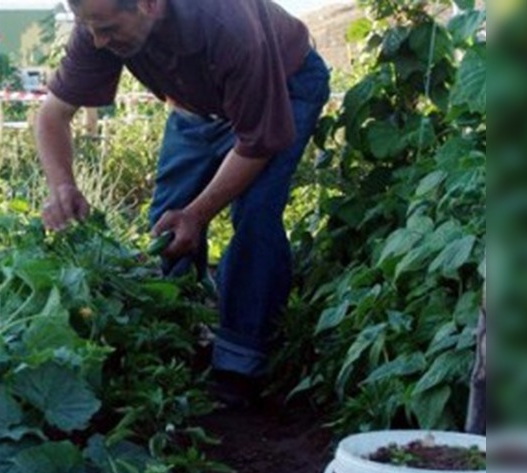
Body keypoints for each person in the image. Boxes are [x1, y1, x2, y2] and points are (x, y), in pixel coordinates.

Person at [36, 0, 331, 408]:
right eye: (91, 29)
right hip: (196, 104)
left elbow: (258, 142)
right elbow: (51, 117)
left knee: (255, 214)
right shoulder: (97, 26)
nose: (99, 40)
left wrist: (198, 213)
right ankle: (178, 339)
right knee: (166, 221)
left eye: (106, 28)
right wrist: (62, 186)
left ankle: (241, 363)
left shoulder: (225, 23)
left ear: (149, 5)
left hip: (283, 82)